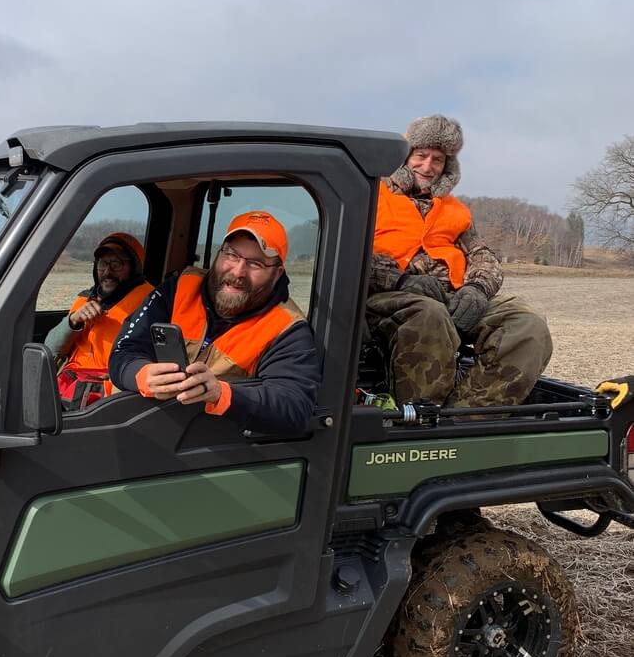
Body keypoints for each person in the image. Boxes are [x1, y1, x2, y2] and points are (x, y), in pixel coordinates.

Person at [366, 115, 552, 407]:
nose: (428, 166)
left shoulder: (456, 210)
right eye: (420, 155)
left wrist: (477, 289)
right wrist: (400, 279)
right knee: (430, 315)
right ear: (405, 156)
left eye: (437, 160)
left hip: (450, 296)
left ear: (447, 166)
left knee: (527, 324)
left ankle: (465, 416)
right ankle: (420, 419)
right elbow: (350, 250)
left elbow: (482, 255)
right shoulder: (372, 195)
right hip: (389, 296)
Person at [109, 211, 320, 433]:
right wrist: (141, 374)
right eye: (232, 255)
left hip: (208, 444)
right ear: (219, 254)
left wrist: (222, 394)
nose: (238, 271)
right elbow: (123, 351)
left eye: (256, 264)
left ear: (277, 273)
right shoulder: (179, 288)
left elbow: (295, 407)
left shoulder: (286, 327)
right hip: (133, 428)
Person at [45, 232, 154, 407]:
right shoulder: (84, 299)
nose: (107, 272)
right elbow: (50, 349)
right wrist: (73, 321)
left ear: (134, 267)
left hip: (106, 397)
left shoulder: (151, 303)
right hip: (67, 386)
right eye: (102, 264)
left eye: (116, 264)